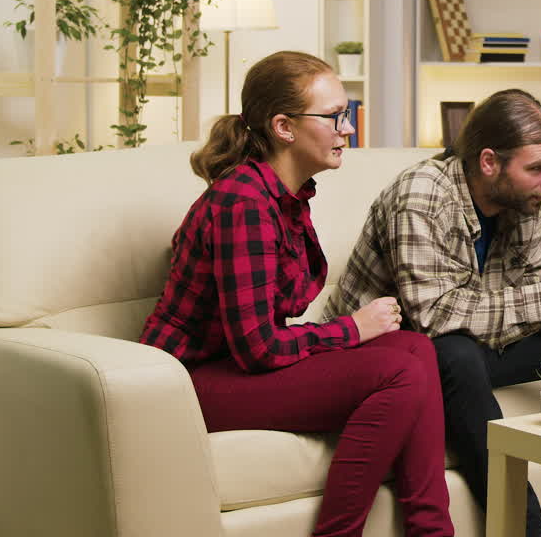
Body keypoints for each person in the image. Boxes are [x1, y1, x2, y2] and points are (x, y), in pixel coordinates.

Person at [324, 89, 541, 537]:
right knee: (455, 354)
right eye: (537, 168)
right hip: (389, 357)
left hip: (468, 343)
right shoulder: (421, 194)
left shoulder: (524, 200)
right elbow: (432, 316)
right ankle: (527, 530)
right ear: (489, 161)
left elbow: (531, 294)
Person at [138, 51, 453, 537]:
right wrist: (351, 328)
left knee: (415, 347)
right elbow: (258, 348)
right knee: (398, 369)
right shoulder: (243, 200)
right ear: (283, 127)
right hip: (190, 382)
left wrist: (350, 332)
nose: (347, 129)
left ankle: (433, 532)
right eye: (334, 117)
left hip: (231, 365)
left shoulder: (287, 195)